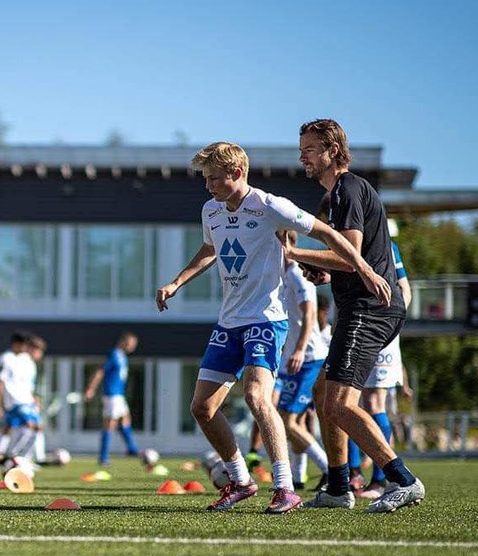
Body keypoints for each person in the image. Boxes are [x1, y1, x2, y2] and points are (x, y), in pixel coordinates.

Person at [156, 141, 388, 514]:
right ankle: (241, 480)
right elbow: (209, 249)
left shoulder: (269, 206)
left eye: (214, 178)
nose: (208, 186)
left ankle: (284, 488)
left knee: (257, 397)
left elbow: (328, 234)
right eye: (206, 179)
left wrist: (364, 269)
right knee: (202, 406)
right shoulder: (210, 210)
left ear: (237, 174)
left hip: (265, 320)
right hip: (229, 322)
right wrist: (177, 282)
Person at [291, 118, 424, 512]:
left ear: (332, 150)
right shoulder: (336, 196)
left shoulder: (347, 189)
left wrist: (294, 253)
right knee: (323, 395)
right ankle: (336, 486)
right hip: (361, 305)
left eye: (310, 149)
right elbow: (347, 261)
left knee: (342, 403)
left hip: (369, 308)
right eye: (301, 150)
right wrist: (322, 272)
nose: (303, 157)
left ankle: (403, 480)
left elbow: (349, 256)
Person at [356, 238, 414, 499]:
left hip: (379, 330)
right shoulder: (355, 238)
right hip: (362, 328)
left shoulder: (385, 245)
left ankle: (381, 480)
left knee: (374, 402)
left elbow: (404, 289)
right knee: (359, 403)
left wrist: (388, 323)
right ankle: (359, 473)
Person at [275, 234, 330, 490]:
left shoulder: (298, 273)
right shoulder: (283, 275)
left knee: (288, 421)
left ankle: (331, 469)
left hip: (308, 358)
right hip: (292, 361)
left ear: (285, 242)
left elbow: (310, 314)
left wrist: (298, 350)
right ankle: (297, 478)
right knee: (289, 421)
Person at [84, 332, 141, 466]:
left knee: (125, 419)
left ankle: (131, 448)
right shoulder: (114, 354)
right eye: (130, 344)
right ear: (122, 342)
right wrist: (90, 389)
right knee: (110, 424)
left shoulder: (123, 357)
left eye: (134, 345)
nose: (132, 347)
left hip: (119, 395)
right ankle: (103, 458)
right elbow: (100, 371)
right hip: (112, 395)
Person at [0, 332, 29, 458]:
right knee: (31, 425)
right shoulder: (5, 358)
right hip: (13, 401)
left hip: (25, 400)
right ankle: (15, 455)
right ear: (16, 344)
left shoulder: (26, 359)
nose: (25, 347)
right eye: (23, 344)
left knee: (9, 427)